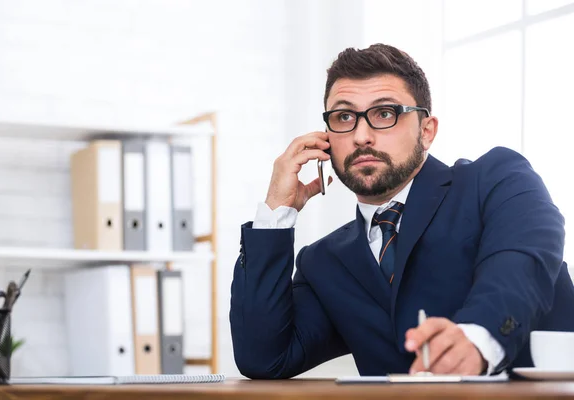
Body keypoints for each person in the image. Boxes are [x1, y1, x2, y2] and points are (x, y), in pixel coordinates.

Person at [229, 43, 574, 379]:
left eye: (384, 113)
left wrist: (477, 338)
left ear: (427, 131)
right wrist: (275, 213)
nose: (362, 135)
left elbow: (521, 262)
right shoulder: (323, 264)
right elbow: (264, 358)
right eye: (345, 117)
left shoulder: (496, 180)